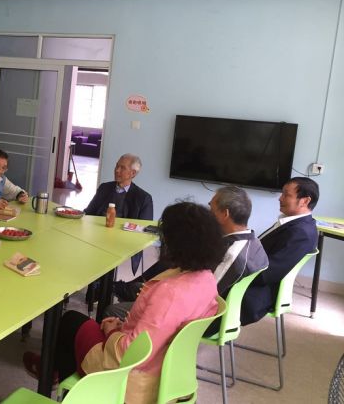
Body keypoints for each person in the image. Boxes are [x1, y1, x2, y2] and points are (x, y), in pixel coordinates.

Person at [24, 202, 227, 404]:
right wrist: (125, 326)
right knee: (77, 325)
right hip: (167, 369)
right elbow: (159, 331)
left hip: (133, 378)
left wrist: (113, 331)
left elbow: (130, 355)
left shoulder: (171, 293)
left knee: (70, 321)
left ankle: (66, 384)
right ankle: (55, 372)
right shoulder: (207, 279)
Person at [106, 186, 269, 333]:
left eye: (211, 208)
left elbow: (205, 296)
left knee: (113, 310)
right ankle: (126, 288)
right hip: (213, 309)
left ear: (225, 214)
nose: (208, 213)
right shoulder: (254, 242)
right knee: (165, 270)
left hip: (199, 320)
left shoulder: (233, 255)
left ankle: (122, 294)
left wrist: (160, 293)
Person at [241, 177, 319, 325]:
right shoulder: (295, 224)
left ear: (305, 201)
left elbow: (266, 274)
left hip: (250, 295)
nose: (280, 198)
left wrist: (233, 271)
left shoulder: (301, 233)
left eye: (286, 195)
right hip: (251, 283)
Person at [85, 154, 153, 273]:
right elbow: (88, 212)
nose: (117, 170)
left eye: (122, 168)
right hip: (96, 238)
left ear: (133, 173)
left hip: (122, 245)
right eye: (116, 166)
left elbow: (144, 231)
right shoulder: (104, 188)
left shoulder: (143, 198)